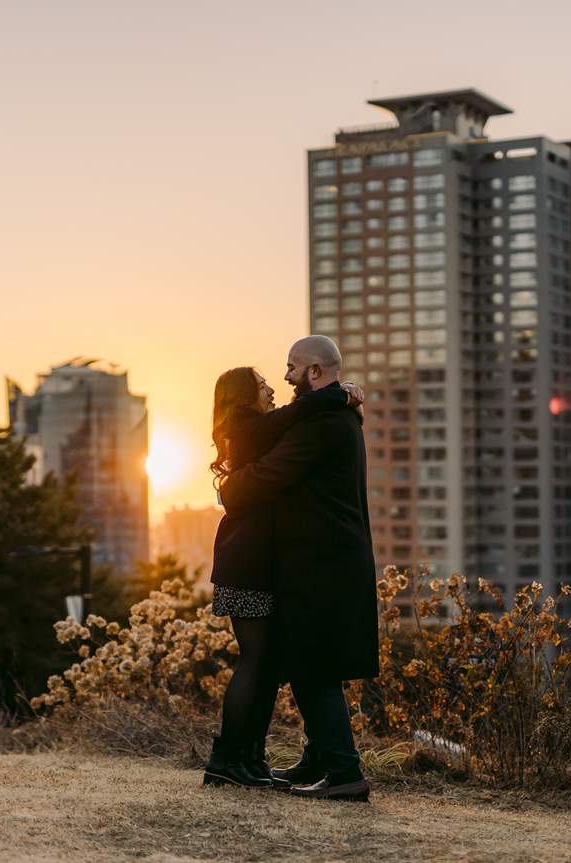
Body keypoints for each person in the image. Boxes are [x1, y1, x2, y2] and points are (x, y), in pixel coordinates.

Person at [219, 335, 380, 803]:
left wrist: (230, 489)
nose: (286, 377)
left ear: (314, 371)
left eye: (292, 368)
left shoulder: (324, 423)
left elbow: (267, 476)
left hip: (322, 563)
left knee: (315, 669)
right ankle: (320, 760)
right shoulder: (335, 414)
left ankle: (345, 773)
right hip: (326, 560)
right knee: (311, 660)